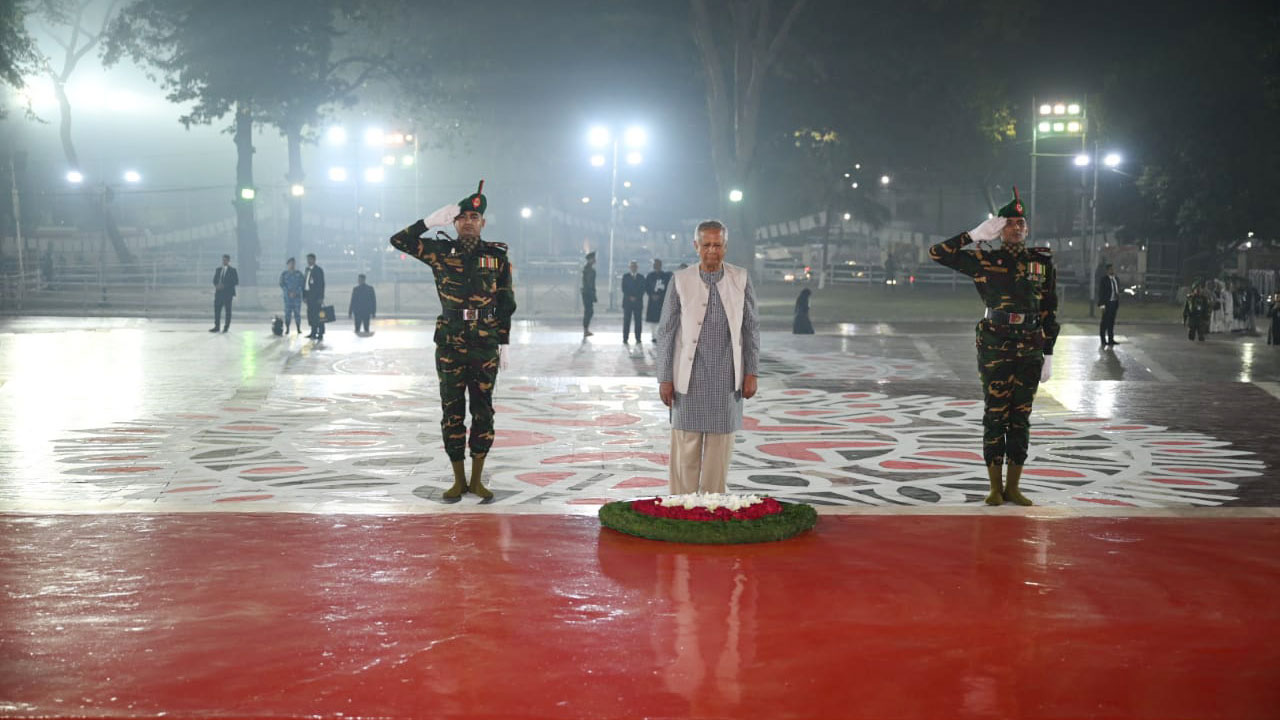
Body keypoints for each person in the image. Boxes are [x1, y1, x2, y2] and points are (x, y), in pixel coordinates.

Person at [928, 187, 1059, 506]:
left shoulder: (1040, 263)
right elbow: (937, 253)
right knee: (995, 414)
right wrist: (972, 234)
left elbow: (1049, 310)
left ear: (1027, 229)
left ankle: (1014, 486)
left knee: (1021, 416)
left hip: (1029, 345)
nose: (1017, 227)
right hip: (995, 345)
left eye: (1021, 222)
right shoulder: (985, 260)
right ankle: (994, 487)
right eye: (1010, 222)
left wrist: (1049, 353)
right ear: (1000, 229)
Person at [389, 180, 516, 502]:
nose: (469, 222)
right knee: (452, 410)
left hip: (485, 343)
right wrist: (428, 223)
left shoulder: (497, 257)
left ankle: (477, 479)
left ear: (483, 223)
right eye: (462, 218)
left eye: (475, 218)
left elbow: (505, 302)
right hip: (450, 343)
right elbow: (399, 240)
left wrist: (504, 342)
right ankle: (458, 480)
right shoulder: (439, 251)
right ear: (455, 222)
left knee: (484, 411)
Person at [656, 220, 760, 495]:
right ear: (696, 246)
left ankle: (713, 506)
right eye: (706, 245)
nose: (711, 251)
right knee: (686, 446)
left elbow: (751, 329)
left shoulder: (741, 278)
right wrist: (664, 378)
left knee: (719, 450)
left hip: (727, 377)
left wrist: (752, 372)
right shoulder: (681, 280)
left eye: (717, 245)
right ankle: (681, 505)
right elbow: (666, 331)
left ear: (726, 247)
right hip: (688, 378)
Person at [209, 254, 239, 333]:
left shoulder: (232, 270)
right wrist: (216, 285)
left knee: (228, 311)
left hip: (228, 294)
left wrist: (225, 286)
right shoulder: (218, 270)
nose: (224, 261)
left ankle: (226, 327)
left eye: (225, 260)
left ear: (228, 261)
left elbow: (236, 281)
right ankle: (217, 326)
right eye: (223, 260)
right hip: (218, 294)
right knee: (217, 310)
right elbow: (214, 280)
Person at [303, 253, 326, 340]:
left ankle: (320, 333)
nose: (309, 261)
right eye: (308, 259)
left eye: (310, 259)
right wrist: (304, 296)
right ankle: (313, 332)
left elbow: (321, 284)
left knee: (319, 316)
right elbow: (305, 284)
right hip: (309, 296)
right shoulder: (307, 270)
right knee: (311, 315)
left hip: (316, 297)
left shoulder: (318, 270)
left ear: (314, 260)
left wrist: (321, 297)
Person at [621, 260, 645, 343]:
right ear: (629, 267)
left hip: (638, 303)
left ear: (637, 267)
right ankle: (625, 338)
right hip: (627, 303)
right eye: (632, 266)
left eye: (635, 266)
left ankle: (638, 338)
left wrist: (636, 297)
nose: (633, 268)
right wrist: (630, 297)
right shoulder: (625, 276)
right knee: (626, 321)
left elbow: (642, 289)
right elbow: (624, 289)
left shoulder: (641, 277)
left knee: (638, 322)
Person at [1097, 263, 1121, 346]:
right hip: (1107, 303)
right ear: (1107, 270)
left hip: (1114, 303)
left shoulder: (1116, 279)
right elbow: (1101, 292)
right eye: (1111, 269)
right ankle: (1103, 340)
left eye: (1113, 269)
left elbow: (1117, 290)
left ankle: (1111, 339)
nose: (1112, 270)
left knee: (1111, 322)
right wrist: (1102, 304)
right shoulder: (1104, 280)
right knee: (1104, 322)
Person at [279, 258, 304, 334]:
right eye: (290, 264)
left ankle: (298, 328)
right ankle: (287, 329)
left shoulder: (299, 274)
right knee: (287, 314)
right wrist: (288, 293)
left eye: (293, 263)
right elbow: (282, 285)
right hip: (288, 298)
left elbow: (302, 284)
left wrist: (296, 292)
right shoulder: (284, 274)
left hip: (297, 298)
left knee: (297, 314)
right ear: (287, 265)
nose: (292, 265)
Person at [645, 258, 672, 325]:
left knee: (662, 319)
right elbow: (646, 287)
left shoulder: (665, 276)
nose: (655, 265)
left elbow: (667, 288)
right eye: (654, 264)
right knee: (653, 322)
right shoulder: (650, 275)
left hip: (662, 301)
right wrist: (651, 295)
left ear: (660, 265)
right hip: (652, 301)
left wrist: (660, 295)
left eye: (657, 264)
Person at [581, 251, 597, 337]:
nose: (595, 260)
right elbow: (589, 283)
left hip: (587, 293)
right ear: (590, 259)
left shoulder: (588, 269)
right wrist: (592, 294)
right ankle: (585, 330)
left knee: (589, 311)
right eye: (593, 258)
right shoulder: (589, 270)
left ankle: (586, 329)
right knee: (589, 312)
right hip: (588, 293)